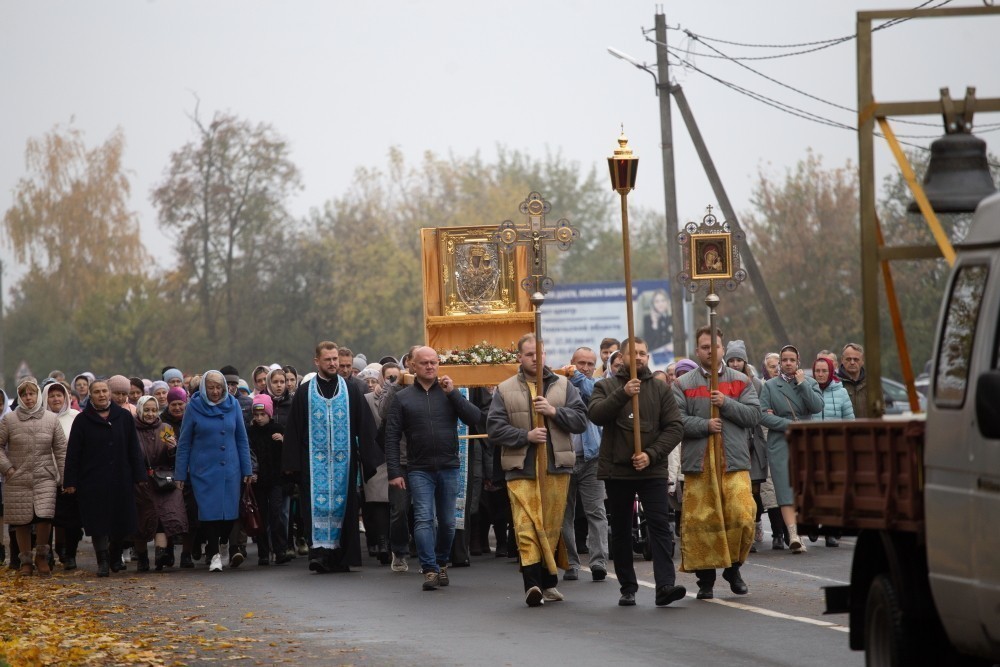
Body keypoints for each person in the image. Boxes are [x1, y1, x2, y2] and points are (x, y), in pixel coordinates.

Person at [487, 334, 588, 606]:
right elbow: (494, 428)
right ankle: (532, 585)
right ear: (519, 357)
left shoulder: (564, 385)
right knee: (525, 526)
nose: (535, 358)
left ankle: (548, 582)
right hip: (521, 468)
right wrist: (525, 436)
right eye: (529, 354)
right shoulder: (505, 389)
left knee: (551, 526)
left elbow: (581, 420)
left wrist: (554, 412)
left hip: (556, 467)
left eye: (539, 354)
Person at [589, 337, 687, 608]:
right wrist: (623, 394)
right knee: (621, 529)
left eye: (644, 353)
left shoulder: (660, 389)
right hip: (617, 471)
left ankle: (665, 585)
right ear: (623, 356)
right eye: (635, 353)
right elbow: (595, 414)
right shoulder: (606, 385)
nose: (641, 357)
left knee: (659, 526)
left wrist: (651, 454)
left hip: (652, 470)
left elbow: (675, 427)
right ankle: (627, 587)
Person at [386, 346, 484, 591]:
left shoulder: (449, 393)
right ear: (413, 366)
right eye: (424, 363)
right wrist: (395, 472)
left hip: (449, 466)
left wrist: (454, 395)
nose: (430, 367)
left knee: (449, 522)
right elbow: (391, 437)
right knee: (423, 519)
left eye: (434, 362)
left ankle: (441, 563)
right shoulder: (403, 398)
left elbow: (474, 418)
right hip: (419, 469)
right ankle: (429, 569)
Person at [674, 328, 760, 600]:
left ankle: (734, 568)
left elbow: (754, 415)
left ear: (723, 349)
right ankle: (705, 580)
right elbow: (676, 422)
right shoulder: (683, 383)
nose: (711, 351)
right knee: (703, 522)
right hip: (699, 464)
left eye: (716, 346)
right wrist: (704, 425)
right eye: (704, 347)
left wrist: (725, 403)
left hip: (732, 461)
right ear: (697, 351)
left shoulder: (741, 381)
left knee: (742, 514)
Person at [282, 342, 381, 574]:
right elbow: (294, 429)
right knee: (314, 508)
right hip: (313, 465)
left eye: (335, 359)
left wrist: (369, 458)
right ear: (317, 361)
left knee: (344, 508)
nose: (333, 363)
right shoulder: (305, 392)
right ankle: (319, 555)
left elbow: (365, 426)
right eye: (328, 360)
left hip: (343, 465)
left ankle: (341, 556)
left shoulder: (351, 390)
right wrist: (292, 466)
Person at [63, 379, 146, 577]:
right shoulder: (83, 420)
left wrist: (139, 475)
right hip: (93, 480)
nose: (101, 395)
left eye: (104, 391)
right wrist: (71, 481)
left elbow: (133, 447)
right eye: (97, 392)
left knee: (122, 521)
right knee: (98, 522)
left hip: (121, 477)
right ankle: (102, 560)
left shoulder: (124, 417)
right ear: (90, 395)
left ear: (109, 393)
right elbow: (73, 453)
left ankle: (115, 553)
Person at [173, 371, 253, 572]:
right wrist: (180, 474)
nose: (216, 391)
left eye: (219, 387)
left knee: (229, 514)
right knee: (209, 513)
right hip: (204, 469)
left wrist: (247, 469)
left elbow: (242, 440)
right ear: (204, 389)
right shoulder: (193, 407)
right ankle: (215, 553)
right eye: (211, 387)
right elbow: (184, 443)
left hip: (230, 468)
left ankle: (225, 543)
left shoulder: (233, 404)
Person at [759, 345, 824, 554]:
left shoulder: (810, 382)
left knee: (804, 485)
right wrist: (786, 424)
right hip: (781, 440)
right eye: (784, 360)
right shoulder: (770, 386)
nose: (787, 363)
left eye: (791, 360)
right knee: (784, 488)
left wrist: (802, 383)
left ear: (798, 362)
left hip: (805, 439)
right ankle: (793, 534)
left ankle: (804, 528)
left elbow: (816, 407)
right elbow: (762, 414)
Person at [0, 377, 68, 576]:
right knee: (21, 520)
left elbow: (61, 450)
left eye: (32, 393)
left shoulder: (51, 419)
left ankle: (41, 556)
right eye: (24, 394)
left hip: (44, 476)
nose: (28, 398)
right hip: (17, 477)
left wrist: (64, 477)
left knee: (44, 517)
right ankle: (25, 561)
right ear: (20, 397)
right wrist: (7, 468)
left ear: (38, 395)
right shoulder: (9, 419)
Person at [559, 346, 609, 583]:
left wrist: (579, 378)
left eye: (590, 364)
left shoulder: (597, 384)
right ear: (572, 362)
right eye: (581, 363)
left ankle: (598, 562)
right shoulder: (559, 384)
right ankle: (571, 562)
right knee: (564, 514)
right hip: (564, 458)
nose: (586, 368)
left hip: (592, 459)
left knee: (596, 512)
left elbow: (591, 395)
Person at [132, 395, 188, 572]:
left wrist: (173, 449)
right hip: (140, 481)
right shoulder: (131, 430)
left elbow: (173, 459)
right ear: (140, 410)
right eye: (146, 410)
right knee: (141, 521)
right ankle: (142, 558)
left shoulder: (165, 428)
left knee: (163, 518)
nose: (150, 414)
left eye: (154, 410)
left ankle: (160, 554)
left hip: (163, 480)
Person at [724, 341, 768, 554]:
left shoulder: (756, 383)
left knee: (754, 488)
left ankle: (756, 522)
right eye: (731, 360)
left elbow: (756, 412)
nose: (734, 364)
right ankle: (741, 533)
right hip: (733, 439)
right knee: (738, 490)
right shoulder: (722, 381)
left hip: (753, 439)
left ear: (744, 361)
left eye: (738, 360)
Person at [42, 381, 83, 571]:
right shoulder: (40, 418)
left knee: (71, 519)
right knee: (46, 518)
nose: (56, 399)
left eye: (59, 395)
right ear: (45, 398)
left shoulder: (76, 417)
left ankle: (70, 553)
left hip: (70, 476)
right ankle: (46, 553)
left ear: (66, 397)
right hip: (45, 476)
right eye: (52, 396)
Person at [247, 393, 291, 566]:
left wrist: (283, 441)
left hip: (275, 480)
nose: (259, 418)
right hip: (259, 481)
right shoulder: (250, 432)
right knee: (261, 517)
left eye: (262, 414)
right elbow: (248, 453)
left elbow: (287, 453)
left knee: (276, 514)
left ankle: (281, 549)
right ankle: (263, 552)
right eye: (256, 415)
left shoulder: (277, 429)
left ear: (269, 414)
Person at [836, 343, 869, 418]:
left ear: (862, 361)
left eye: (856, 359)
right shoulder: (834, 383)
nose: (852, 362)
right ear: (842, 360)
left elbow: (880, 410)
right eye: (848, 359)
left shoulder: (871, 384)